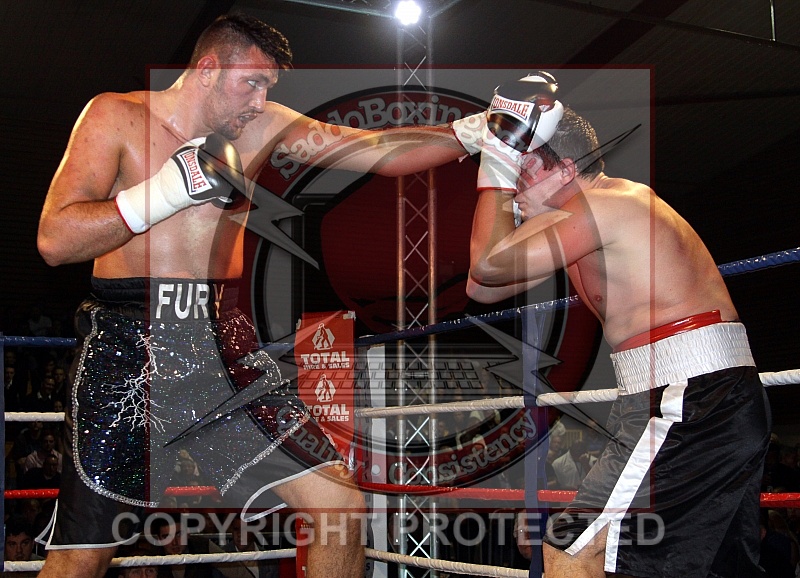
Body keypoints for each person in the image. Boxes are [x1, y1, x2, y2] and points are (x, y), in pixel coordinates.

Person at [35, 12, 484, 578]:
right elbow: (55, 240)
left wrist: (475, 131)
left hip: (221, 346)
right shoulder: (116, 116)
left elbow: (377, 150)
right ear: (207, 68)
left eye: (269, 85)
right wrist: (161, 195)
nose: (261, 99)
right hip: (129, 343)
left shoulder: (260, 125)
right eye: (251, 82)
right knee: (84, 555)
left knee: (338, 504)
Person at [467, 87, 771, 575]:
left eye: (523, 171)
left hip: (689, 393)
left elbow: (487, 263)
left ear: (566, 169)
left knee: (569, 548)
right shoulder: (578, 220)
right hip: (689, 394)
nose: (514, 186)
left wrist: (495, 165)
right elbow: (481, 286)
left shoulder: (608, 205)